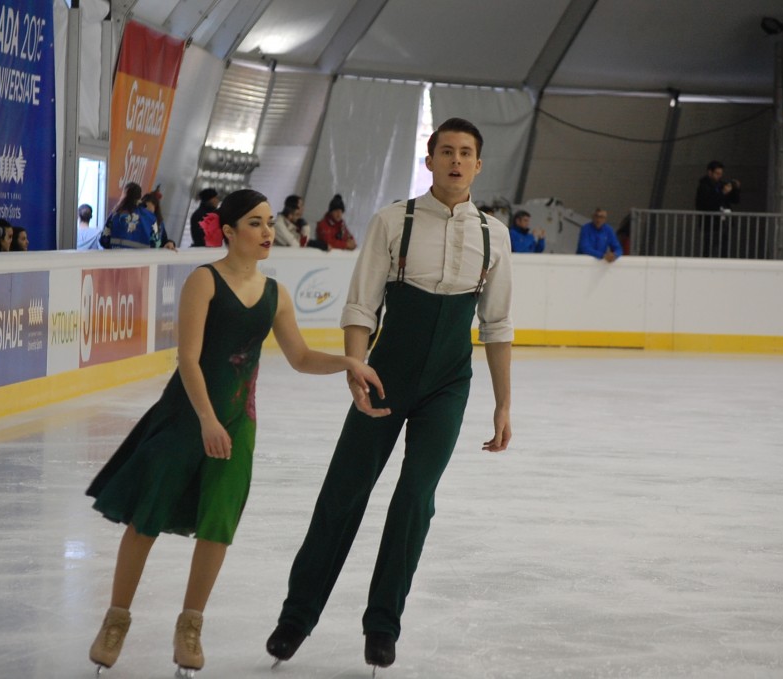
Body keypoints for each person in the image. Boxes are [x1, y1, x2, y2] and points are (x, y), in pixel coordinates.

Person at [85, 189, 385, 676]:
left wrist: (349, 361)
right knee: (148, 516)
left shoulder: (274, 294)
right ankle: (116, 620)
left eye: (270, 223)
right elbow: (187, 358)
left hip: (238, 423)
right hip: (185, 419)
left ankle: (190, 627)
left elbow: (302, 358)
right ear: (227, 231)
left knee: (219, 525)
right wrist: (205, 419)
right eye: (255, 223)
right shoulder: (204, 282)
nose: (268, 232)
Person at [265, 117, 513, 672]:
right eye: (445, 150)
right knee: (343, 494)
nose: (455, 160)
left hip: (449, 386)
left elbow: (496, 325)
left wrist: (502, 403)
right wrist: (356, 367)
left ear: (477, 164)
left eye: (465, 152)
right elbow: (361, 307)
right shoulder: (392, 221)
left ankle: (383, 626)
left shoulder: (493, 234)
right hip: (385, 376)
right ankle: (295, 618)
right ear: (429, 161)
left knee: (414, 501)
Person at [694, 161, 740, 258]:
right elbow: (707, 203)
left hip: (723, 223)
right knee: (709, 249)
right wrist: (722, 193)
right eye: (717, 174)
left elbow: (735, 200)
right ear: (710, 172)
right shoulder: (704, 186)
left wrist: (735, 189)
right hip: (710, 224)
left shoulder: (721, 184)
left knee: (724, 249)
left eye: (721, 174)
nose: (719, 176)